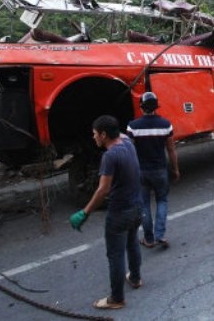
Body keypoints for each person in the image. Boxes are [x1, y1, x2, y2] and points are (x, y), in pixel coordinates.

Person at [69, 115, 143, 310]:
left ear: (103, 135)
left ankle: (116, 299)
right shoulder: (127, 143)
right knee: (132, 243)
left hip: (119, 212)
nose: (93, 137)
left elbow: (103, 190)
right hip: (137, 207)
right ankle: (135, 278)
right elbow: (120, 133)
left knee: (115, 255)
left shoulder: (109, 156)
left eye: (95, 134)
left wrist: (84, 213)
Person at [127, 92, 178, 249]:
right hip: (160, 170)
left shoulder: (132, 126)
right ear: (156, 107)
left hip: (141, 171)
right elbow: (171, 149)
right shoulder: (166, 125)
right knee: (162, 200)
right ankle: (160, 235)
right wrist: (175, 169)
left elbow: (129, 152)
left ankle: (148, 239)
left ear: (141, 107)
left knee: (144, 204)